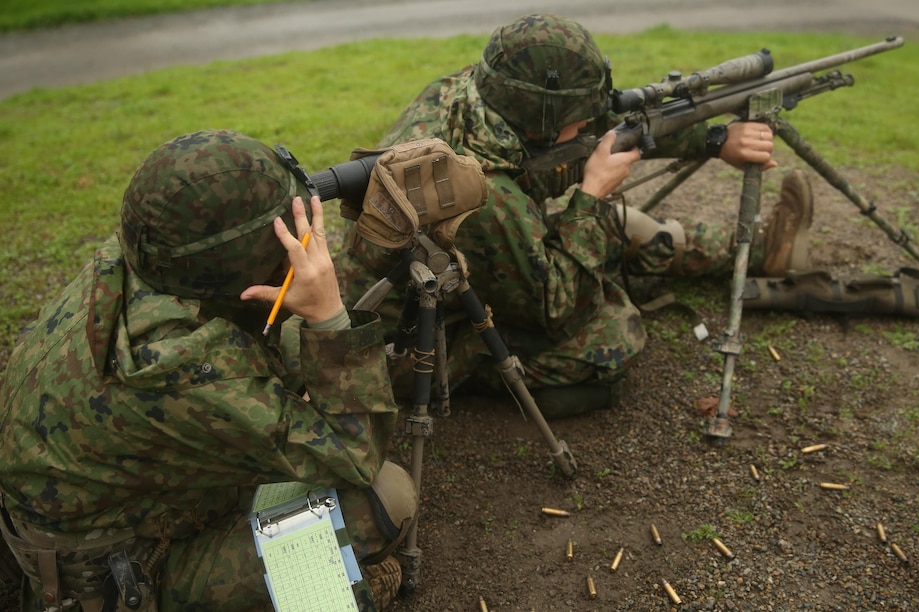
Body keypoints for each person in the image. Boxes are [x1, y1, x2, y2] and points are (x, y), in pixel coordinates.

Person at [0, 130, 416, 611]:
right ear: (248, 272)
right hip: (115, 573)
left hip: (84, 502)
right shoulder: (183, 366)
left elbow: (253, 339)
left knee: (297, 355)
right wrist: (328, 314)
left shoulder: (142, 258)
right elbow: (354, 454)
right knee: (386, 497)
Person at [339, 13, 814, 418]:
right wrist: (590, 195)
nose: (590, 121)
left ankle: (751, 251)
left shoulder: (473, 97)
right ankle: (488, 374)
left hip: (443, 271)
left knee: (617, 229)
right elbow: (555, 310)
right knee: (613, 335)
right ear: (543, 119)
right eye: (579, 113)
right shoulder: (481, 198)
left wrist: (712, 140)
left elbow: (602, 130)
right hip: (408, 341)